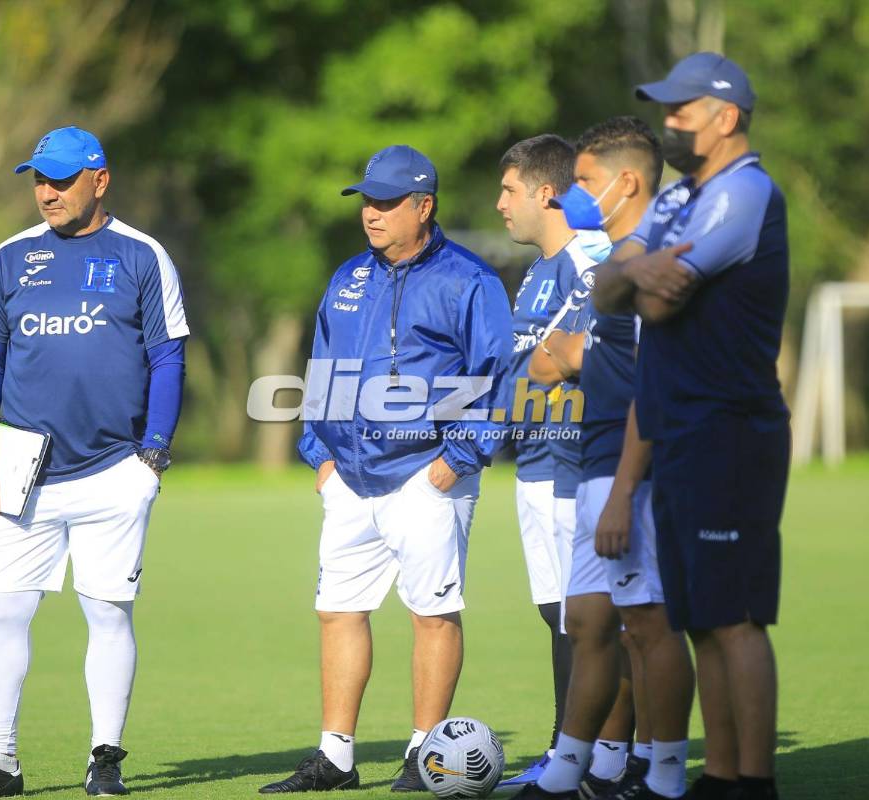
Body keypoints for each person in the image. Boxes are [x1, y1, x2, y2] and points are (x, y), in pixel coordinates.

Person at [0, 126, 189, 799]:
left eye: (61, 180)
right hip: (20, 471)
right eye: (39, 179)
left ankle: (105, 759)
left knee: (107, 613)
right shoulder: (10, 258)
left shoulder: (142, 255)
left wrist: (152, 456)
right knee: (3, 612)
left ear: (100, 180)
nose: (46, 192)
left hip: (113, 471)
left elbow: (167, 356)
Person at [261, 145, 512, 794]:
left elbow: (495, 377)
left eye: (384, 201)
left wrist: (455, 461)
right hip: (349, 476)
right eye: (365, 201)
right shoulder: (347, 277)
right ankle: (336, 757)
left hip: (427, 474)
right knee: (339, 610)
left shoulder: (470, 280)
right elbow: (322, 371)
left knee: (432, 613)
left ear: (423, 207)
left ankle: (425, 755)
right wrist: (319, 456)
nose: (369, 213)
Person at [591, 53, 791, 800]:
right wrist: (635, 272)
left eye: (682, 111)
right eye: (666, 111)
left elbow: (660, 299)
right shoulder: (679, 201)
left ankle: (754, 783)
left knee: (735, 619)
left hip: (730, 430)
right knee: (703, 618)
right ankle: (720, 777)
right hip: (680, 430)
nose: (669, 123)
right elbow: (611, 288)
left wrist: (636, 276)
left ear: (726, 117)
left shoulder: (744, 193)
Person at [515, 116, 668, 800]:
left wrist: (566, 357)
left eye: (584, 181)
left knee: (637, 624)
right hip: (561, 463)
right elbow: (539, 362)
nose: (574, 196)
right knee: (580, 620)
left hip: (599, 464)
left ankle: (643, 769)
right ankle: (582, 764)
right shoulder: (570, 266)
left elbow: (599, 362)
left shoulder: (621, 258)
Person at [492, 133, 580, 789]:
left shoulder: (588, 263)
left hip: (580, 471)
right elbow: (526, 369)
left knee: (596, 622)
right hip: (535, 467)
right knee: (558, 616)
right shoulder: (537, 272)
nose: (500, 204)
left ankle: (610, 756)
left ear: (545, 192)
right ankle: (564, 750)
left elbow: (573, 364)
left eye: (509, 190)